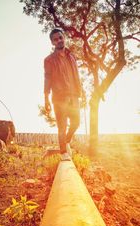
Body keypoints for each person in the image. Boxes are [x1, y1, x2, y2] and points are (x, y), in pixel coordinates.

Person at [44, 28, 82, 160]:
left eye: (61, 37)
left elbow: (76, 75)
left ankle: (66, 141)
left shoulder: (72, 56)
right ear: (52, 43)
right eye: (56, 39)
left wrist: (81, 93)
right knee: (62, 126)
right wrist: (46, 97)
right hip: (59, 98)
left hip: (74, 95)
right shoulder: (49, 60)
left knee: (77, 122)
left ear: (63, 38)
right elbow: (47, 78)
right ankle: (63, 153)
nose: (59, 40)